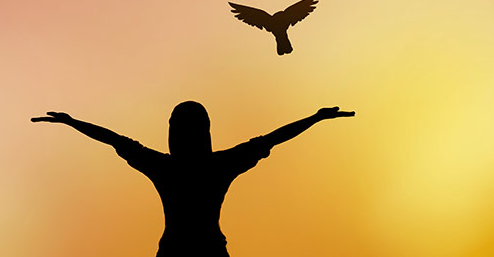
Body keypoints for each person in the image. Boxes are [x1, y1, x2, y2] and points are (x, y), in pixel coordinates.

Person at [31, 101, 354, 257]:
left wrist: (74, 123)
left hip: (181, 251)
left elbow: (114, 139)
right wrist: (314, 119)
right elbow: (272, 138)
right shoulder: (218, 164)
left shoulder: (164, 166)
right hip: (202, 251)